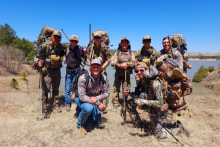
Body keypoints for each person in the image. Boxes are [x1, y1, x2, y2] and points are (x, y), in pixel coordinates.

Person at [123, 62, 190, 139]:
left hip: (158, 108)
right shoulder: (142, 81)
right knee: (129, 103)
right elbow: (142, 94)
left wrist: (142, 102)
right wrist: (129, 93)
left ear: (146, 69)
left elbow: (160, 102)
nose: (139, 73)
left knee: (158, 134)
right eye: (136, 71)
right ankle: (139, 124)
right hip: (150, 103)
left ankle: (178, 127)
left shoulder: (156, 84)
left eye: (141, 70)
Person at [75, 59, 110, 135]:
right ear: (90, 67)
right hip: (81, 99)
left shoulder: (104, 78)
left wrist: (97, 98)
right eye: (94, 66)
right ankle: (80, 124)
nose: (96, 69)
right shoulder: (83, 78)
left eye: (98, 67)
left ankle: (84, 113)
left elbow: (107, 93)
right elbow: (82, 96)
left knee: (97, 122)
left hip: (94, 99)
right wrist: (98, 102)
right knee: (88, 108)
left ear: (101, 68)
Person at [37, 30, 66, 114]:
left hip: (57, 70)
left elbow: (68, 45)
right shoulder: (44, 46)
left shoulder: (59, 46)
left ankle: (56, 104)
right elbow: (36, 56)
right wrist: (38, 62)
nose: (57, 38)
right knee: (45, 90)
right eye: (56, 36)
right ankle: (45, 108)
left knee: (56, 88)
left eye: (59, 37)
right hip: (47, 71)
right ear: (52, 36)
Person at [86, 32, 111, 113]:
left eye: (98, 37)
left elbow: (108, 60)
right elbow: (87, 58)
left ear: (101, 38)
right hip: (92, 70)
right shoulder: (90, 47)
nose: (97, 39)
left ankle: (103, 106)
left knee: (103, 88)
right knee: (92, 87)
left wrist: (101, 68)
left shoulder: (105, 48)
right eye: (95, 37)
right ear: (93, 38)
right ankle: (92, 103)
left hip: (102, 70)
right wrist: (91, 67)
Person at [111, 37, 135, 109]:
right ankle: (116, 101)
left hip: (127, 74)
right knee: (116, 88)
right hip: (118, 74)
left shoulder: (131, 53)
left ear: (128, 44)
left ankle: (126, 101)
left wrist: (127, 65)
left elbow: (134, 63)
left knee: (126, 88)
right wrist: (120, 65)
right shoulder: (117, 52)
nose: (124, 44)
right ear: (120, 44)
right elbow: (113, 63)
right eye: (123, 42)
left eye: (126, 42)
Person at [64, 35, 86, 112]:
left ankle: (78, 103)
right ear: (70, 41)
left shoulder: (80, 49)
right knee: (67, 89)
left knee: (78, 89)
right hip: (69, 72)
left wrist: (86, 50)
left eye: (75, 41)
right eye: (72, 41)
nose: (74, 43)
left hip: (77, 72)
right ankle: (67, 104)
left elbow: (86, 56)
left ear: (77, 42)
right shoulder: (66, 49)